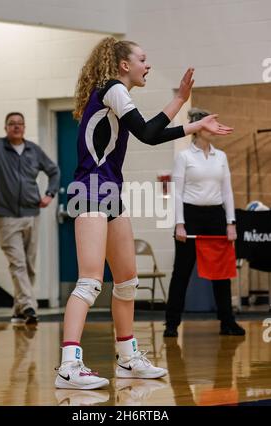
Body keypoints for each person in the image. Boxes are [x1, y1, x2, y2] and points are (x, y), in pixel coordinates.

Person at [55, 37, 233, 391]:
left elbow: (148, 134)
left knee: (127, 282)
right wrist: (182, 102)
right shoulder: (113, 89)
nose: (147, 65)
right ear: (124, 64)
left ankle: (128, 358)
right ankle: (68, 366)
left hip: (110, 191)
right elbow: (149, 134)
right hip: (89, 188)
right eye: (142, 59)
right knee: (90, 282)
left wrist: (190, 122)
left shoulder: (115, 93)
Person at [0, 113, 60, 324]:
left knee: (28, 265)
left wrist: (50, 194)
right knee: (18, 263)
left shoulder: (33, 150)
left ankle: (19, 310)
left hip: (32, 215)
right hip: (6, 217)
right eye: (12, 124)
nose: (16, 127)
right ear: (5, 128)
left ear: (25, 127)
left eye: (20, 123)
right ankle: (30, 307)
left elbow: (54, 171)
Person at [164, 107, 245, 338]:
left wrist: (231, 222)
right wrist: (180, 224)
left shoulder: (221, 156)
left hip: (216, 217)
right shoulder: (184, 157)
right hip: (190, 216)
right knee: (182, 272)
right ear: (198, 129)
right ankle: (171, 324)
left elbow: (227, 191)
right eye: (210, 124)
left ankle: (227, 322)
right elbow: (177, 193)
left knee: (222, 272)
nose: (215, 129)